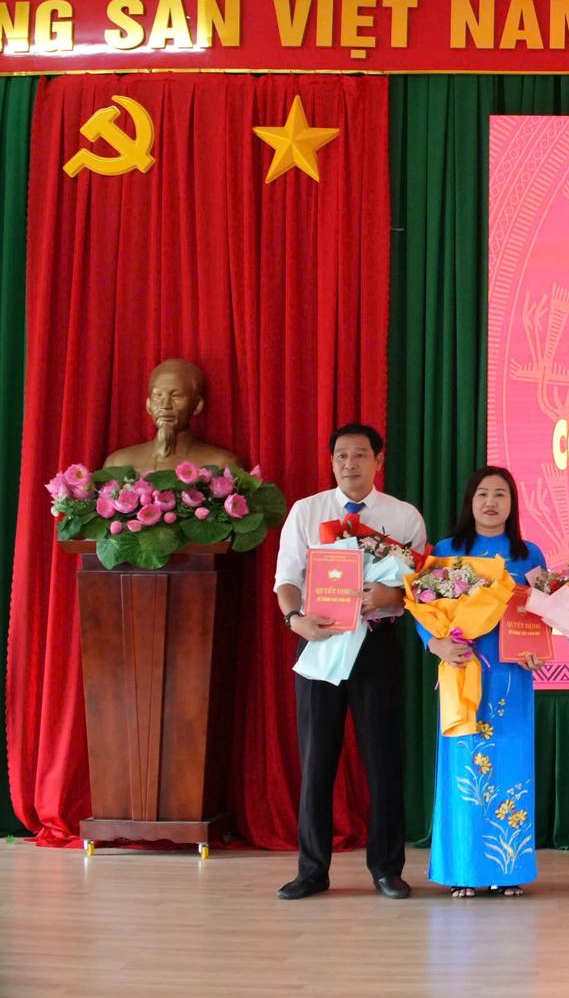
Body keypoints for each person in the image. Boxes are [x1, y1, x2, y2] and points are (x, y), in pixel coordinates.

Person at [273, 423, 425, 900]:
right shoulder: (307, 511)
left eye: (360, 454)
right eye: (341, 455)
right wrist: (295, 619)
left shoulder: (403, 516)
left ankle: (387, 868)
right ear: (331, 461)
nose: (349, 463)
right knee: (317, 759)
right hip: (320, 642)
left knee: (383, 759)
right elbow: (286, 579)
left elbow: (420, 588)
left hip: (376, 644)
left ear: (378, 460)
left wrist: (392, 595)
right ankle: (312, 870)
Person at [418, 466, 547, 898]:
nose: (491, 502)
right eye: (483, 494)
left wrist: (538, 649)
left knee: (511, 767)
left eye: (501, 495)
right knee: (464, 769)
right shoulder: (447, 550)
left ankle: (508, 870)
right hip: (463, 670)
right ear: (470, 502)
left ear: (513, 504)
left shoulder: (530, 554)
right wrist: (436, 644)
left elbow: (542, 614)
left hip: (512, 676)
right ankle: (464, 870)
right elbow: (424, 607)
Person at [104, 358, 242, 474]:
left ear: (197, 405)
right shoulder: (117, 463)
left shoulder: (221, 464)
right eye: (157, 395)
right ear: (148, 404)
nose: (165, 405)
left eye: (176, 396)